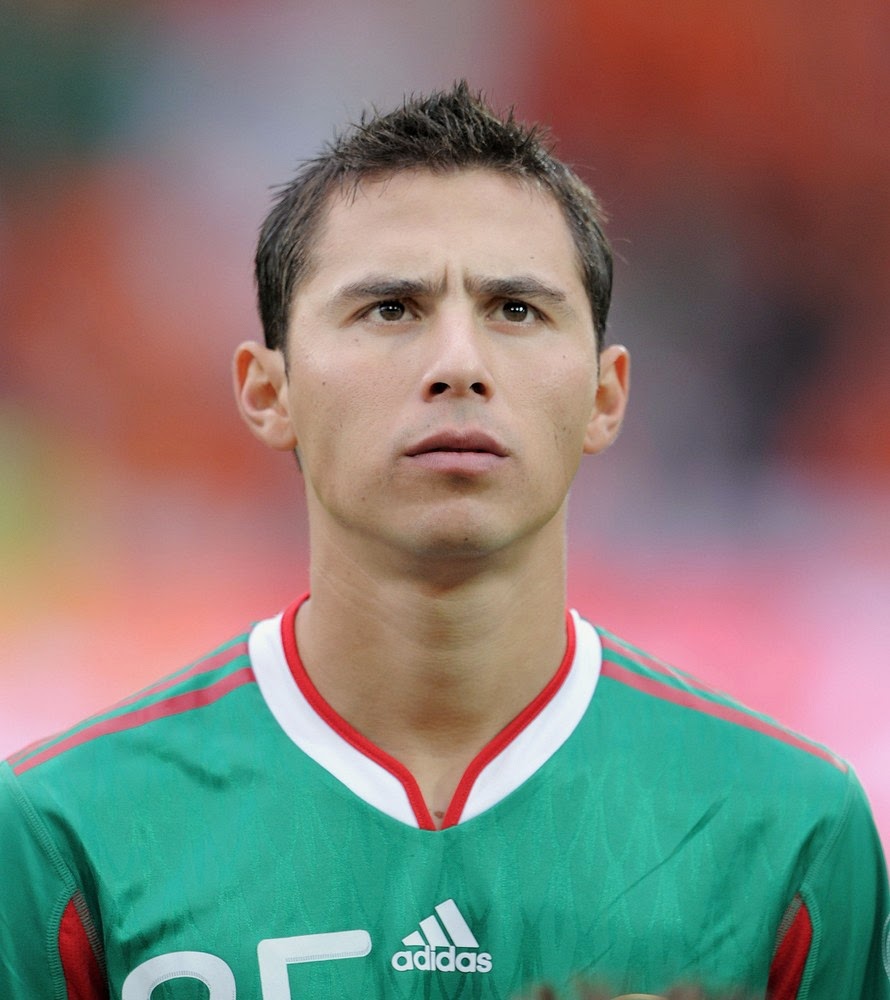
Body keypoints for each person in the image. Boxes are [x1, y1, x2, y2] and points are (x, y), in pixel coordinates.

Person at [1, 82, 887, 1000]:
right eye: (391, 308)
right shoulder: (63, 834)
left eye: (516, 310)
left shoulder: (792, 834)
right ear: (269, 391)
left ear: (605, 394)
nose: (459, 365)